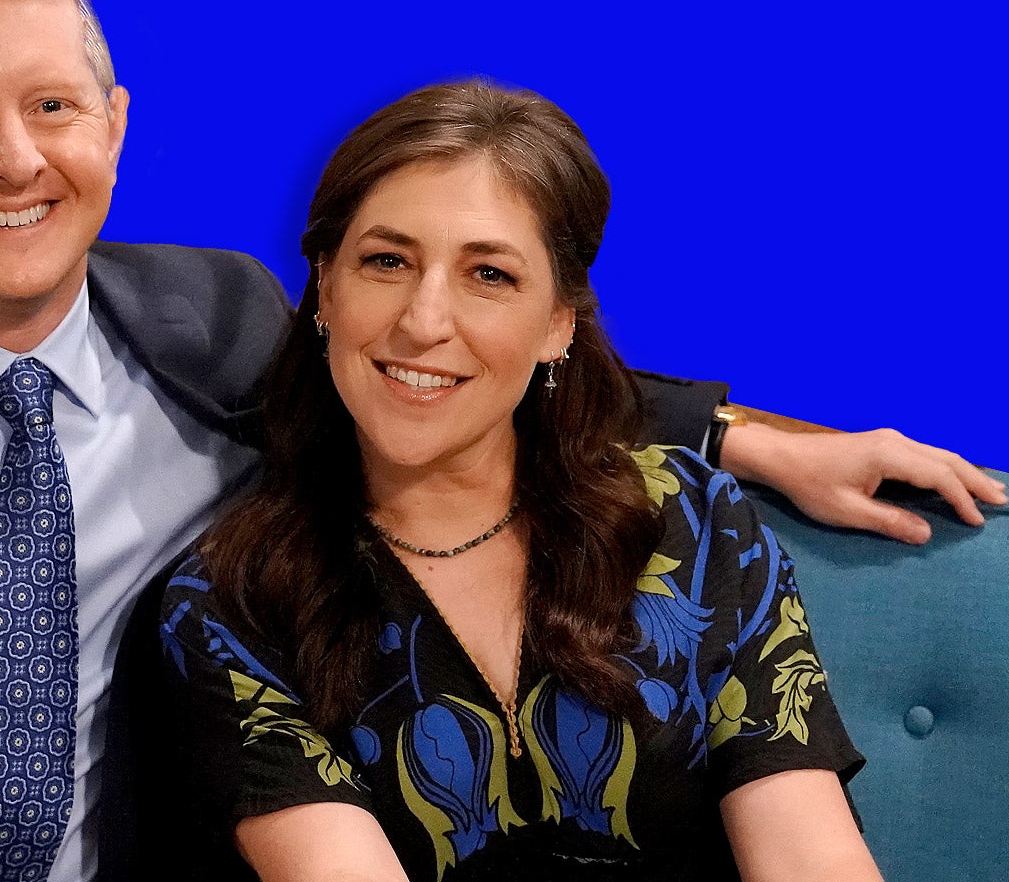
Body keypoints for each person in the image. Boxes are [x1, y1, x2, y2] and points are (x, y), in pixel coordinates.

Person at [0, 0, 998, 882]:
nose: (17, 160)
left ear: (114, 127)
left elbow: (459, 371)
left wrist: (763, 442)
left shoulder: (216, 318)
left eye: (53, 108)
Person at [155, 82, 883, 881]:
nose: (424, 321)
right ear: (326, 287)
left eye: (489, 275)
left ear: (557, 324)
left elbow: (811, 857)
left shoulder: (699, 525)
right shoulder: (236, 600)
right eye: (387, 261)